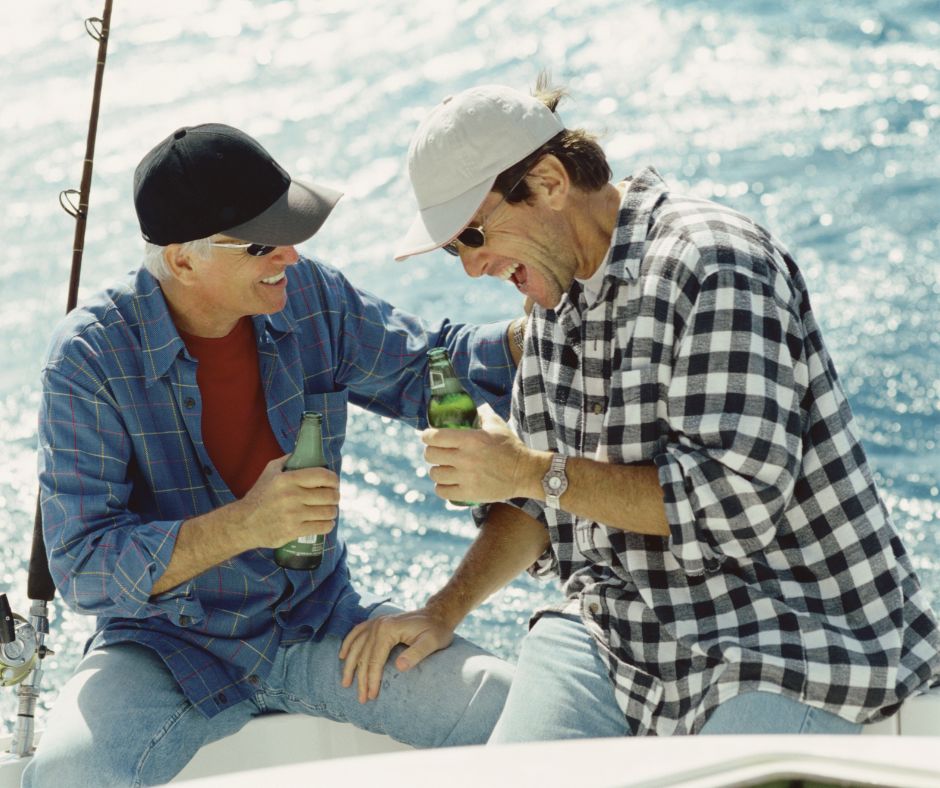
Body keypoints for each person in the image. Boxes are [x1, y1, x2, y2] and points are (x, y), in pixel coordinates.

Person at [343, 79, 940, 742]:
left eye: (474, 235)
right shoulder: (549, 299)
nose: (472, 267)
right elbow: (538, 507)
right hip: (619, 638)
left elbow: (731, 507)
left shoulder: (713, 265)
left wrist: (526, 470)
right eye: (456, 247)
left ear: (547, 182)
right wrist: (443, 608)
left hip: (791, 638)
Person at [27, 123, 523, 787]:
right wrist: (245, 525)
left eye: (291, 231)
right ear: (182, 262)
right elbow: (83, 567)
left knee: (510, 711)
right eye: (264, 243)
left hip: (322, 623)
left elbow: (428, 366)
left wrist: (535, 337)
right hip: (163, 648)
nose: (290, 255)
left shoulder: (313, 296)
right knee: (64, 777)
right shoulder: (88, 358)